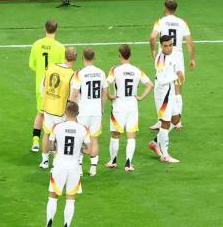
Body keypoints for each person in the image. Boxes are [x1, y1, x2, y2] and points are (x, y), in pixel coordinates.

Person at [43, 101, 94, 227]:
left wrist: (56, 148)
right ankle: (66, 225)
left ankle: (49, 224)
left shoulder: (57, 127)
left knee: (53, 197)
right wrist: (80, 149)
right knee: (70, 199)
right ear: (77, 113)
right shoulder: (83, 129)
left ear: (65, 112)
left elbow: (50, 146)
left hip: (59, 166)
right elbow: (89, 150)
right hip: (74, 168)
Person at [148, 0, 196, 131]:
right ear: (175, 9)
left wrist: (152, 50)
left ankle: (161, 121)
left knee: (161, 88)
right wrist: (192, 58)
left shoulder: (161, 21)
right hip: (178, 58)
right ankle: (178, 121)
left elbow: (152, 37)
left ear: (165, 8)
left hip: (164, 58)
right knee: (177, 89)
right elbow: (190, 42)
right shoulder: (182, 23)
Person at [104, 44, 152, 172]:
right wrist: (141, 97)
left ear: (120, 55)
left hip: (119, 105)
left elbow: (105, 83)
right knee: (131, 136)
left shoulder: (114, 70)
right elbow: (150, 84)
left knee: (115, 134)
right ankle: (128, 164)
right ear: (130, 55)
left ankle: (113, 161)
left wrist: (109, 95)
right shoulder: (137, 70)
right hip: (132, 106)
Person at [29, 20, 65, 153]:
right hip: (55, 86)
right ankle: (53, 144)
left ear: (45, 29)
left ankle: (35, 142)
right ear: (56, 30)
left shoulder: (37, 44)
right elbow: (63, 67)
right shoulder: (60, 47)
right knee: (55, 114)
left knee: (41, 113)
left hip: (40, 84)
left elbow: (32, 64)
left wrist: (41, 72)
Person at [68, 48, 106, 177]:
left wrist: (69, 109)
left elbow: (74, 95)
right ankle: (93, 168)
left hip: (83, 112)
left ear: (82, 58)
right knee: (94, 139)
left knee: (80, 139)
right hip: (96, 112)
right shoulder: (101, 73)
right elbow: (104, 93)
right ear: (94, 58)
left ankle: (79, 168)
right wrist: (102, 109)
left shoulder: (79, 74)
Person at [148, 35, 185, 164]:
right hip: (162, 94)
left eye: (170, 45)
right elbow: (162, 80)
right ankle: (165, 155)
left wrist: (179, 71)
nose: (168, 48)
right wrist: (176, 76)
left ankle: (155, 142)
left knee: (176, 119)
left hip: (171, 92)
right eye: (165, 46)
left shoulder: (173, 54)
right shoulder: (160, 60)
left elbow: (176, 66)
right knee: (165, 123)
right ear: (161, 46)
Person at [40, 47, 77, 170]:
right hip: (60, 110)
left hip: (47, 107)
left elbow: (43, 86)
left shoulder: (51, 67)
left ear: (64, 56)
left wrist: (46, 99)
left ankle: (44, 161)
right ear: (75, 59)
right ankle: (56, 163)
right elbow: (73, 95)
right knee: (59, 137)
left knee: (46, 133)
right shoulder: (72, 74)